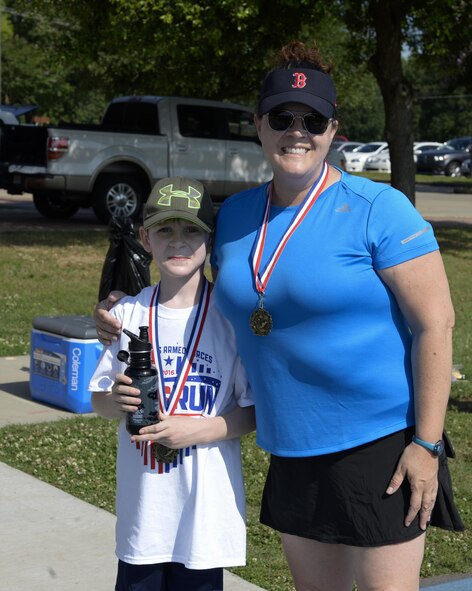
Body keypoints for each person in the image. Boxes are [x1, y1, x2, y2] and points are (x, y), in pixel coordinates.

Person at [95, 41, 463, 591]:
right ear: (259, 127)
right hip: (290, 441)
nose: (297, 130)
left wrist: (427, 445)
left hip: (380, 439)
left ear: (334, 129)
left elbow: (436, 324)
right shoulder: (239, 214)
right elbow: (199, 285)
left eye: (313, 119)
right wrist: (122, 311)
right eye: (282, 118)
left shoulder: (379, 209)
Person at [89, 176, 255, 591]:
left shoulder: (230, 318)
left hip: (204, 521)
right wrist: (115, 399)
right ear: (145, 238)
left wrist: (192, 431)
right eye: (165, 229)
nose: (178, 242)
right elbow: (98, 401)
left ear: (209, 239)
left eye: (190, 230)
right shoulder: (126, 315)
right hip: (145, 519)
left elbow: (252, 412)